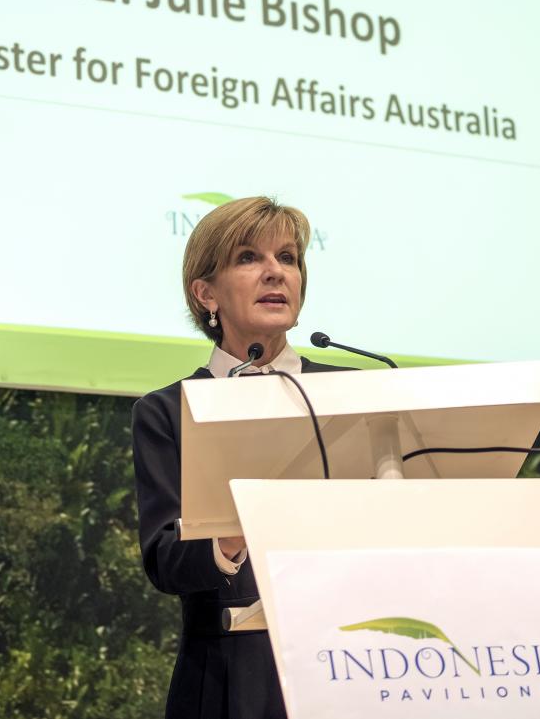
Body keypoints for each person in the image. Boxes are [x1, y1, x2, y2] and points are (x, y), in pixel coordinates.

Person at [131, 196, 349, 719]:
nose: (276, 272)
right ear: (206, 293)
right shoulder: (169, 410)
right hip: (232, 676)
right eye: (249, 258)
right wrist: (231, 531)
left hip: (353, 661)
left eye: (289, 258)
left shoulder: (353, 394)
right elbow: (165, 561)